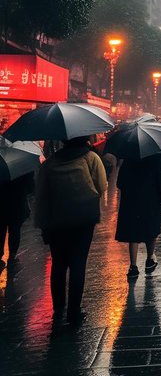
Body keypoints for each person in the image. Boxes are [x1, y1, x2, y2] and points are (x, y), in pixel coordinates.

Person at [34, 136, 107, 325]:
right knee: (78, 262)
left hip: (56, 221)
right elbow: (102, 186)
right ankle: (74, 312)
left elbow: (41, 194)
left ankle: (58, 310)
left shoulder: (50, 163)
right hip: (83, 220)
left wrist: (42, 223)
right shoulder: (91, 158)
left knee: (58, 264)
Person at [115, 153, 161, 279]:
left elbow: (119, 183)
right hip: (151, 199)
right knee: (151, 229)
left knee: (133, 232)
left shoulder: (128, 160)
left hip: (131, 200)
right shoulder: (157, 160)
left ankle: (133, 266)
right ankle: (150, 259)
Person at [0, 172, 35, 270]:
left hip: (1, 203)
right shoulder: (23, 167)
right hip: (17, 203)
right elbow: (31, 188)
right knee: (15, 229)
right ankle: (12, 254)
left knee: (1, 229)